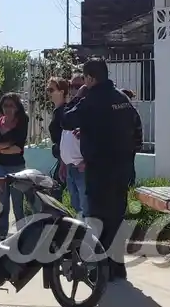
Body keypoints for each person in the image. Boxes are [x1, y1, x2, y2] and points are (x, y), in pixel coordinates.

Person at [60, 58, 140, 282]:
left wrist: (77, 97)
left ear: (90, 78)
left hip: (100, 171)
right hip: (122, 169)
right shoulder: (122, 98)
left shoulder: (92, 99)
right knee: (116, 219)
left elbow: (66, 120)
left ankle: (100, 270)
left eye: (84, 79)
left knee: (97, 221)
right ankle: (117, 268)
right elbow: (137, 129)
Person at [0, 92, 29, 237]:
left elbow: (18, 149)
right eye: (5, 105)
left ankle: (22, 235)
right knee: (3, 204)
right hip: (0, 167)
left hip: (17, 168)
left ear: (17, 107)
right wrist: (6, 145)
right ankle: (2, 235)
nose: (8, 109)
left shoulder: (22, 121)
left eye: (12, 105)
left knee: (18, 204)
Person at [48, 77, 87, 215]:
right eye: (72, 86)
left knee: (85, 206)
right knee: (76, 204)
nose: (74, 90)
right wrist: (63, 162)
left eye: (79, 86)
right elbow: (65, 139)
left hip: (82, 166)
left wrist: (88, 161)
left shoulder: (87, 111)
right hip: (69, 164)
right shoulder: (70, 110)